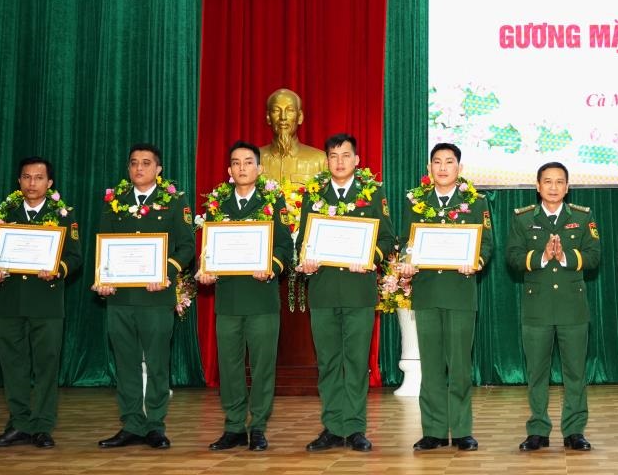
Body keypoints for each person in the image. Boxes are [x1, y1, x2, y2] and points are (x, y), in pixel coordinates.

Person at [295, 133, 396, 452]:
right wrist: (306, 260)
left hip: (358, 292)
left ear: (357, 160)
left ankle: (354, 428)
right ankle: (332, 427)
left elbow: (387, 239)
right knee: (327, 362)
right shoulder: (314, 194)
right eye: (333, 156)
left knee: (355, 362)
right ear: (327, 161)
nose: (339, 162)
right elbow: (302, 240)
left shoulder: (373, 193)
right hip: (323, 291)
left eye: (345, 155)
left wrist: (369, 258)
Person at [94, 144, 195, 450]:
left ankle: (155, 425)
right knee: (125, 363)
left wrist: (165, 271)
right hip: (120, 298)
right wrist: (103, 279)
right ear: (128, 168)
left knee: (157, 363)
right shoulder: (115, 201)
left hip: (156, 297)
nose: (139, 168)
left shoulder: (174, 201)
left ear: (158, 169)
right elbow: (104, 243)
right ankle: (131, 424)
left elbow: (187, 247)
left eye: (146, 163)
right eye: (134, 163)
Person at [196, 142, 292, 452]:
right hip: (228, 299)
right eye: (236, 163)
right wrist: (206, 270)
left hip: (261, 298)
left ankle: (259, 426)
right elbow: (209, 248)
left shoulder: (272, 202)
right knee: (230, 366)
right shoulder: (218, 204)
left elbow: (285, 247)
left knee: (263, 366)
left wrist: (271, 267)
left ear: (259, 168)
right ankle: (234, 426)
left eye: (248, 162)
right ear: (229, 170)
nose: (242, 168)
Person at [398, 143, 494, 451]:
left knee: (460, 366)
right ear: (429, 168)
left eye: (449, 162)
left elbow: (486, 243)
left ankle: (462, 429)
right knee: (431, 366)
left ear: (459, 168)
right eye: (437, 162)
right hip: (427, 293)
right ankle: (434, 431)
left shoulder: (476, 202)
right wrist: (406, 261)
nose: (442, 167)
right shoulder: (415, 202)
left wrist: (476, 261)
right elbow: (405, 241)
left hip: (460, 293)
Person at [0, 157, 82, 449]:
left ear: (49, 183)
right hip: (11, 301)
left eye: (38, 178)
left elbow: (75, 257)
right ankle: (18, 424)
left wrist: (57, 269)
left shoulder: (63, 215)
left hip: (46, 303)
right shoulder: (6, 213)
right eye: (26, 177)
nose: (32, 183)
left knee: (46, 365)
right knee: (13, 365)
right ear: (19, 181)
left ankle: (42, 425)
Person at [505, 161, 600, 452]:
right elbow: (513, 257)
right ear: (538, 186)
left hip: (573, 307)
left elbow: (594, 255)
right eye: (548, 181)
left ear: (567, 187)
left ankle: (574, 431)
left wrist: (565, 256)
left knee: (575, 373)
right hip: (537, 308)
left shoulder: (583, 217)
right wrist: (542, 257)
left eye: (560, 182)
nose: (554, 187)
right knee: (537, 373)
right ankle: (537, 430)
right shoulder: (522, 218)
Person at [259, 88, 327, 184]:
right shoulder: (253, 159)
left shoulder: (320, 160)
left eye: (290, 110)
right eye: (276, 110)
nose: (283, 117)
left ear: (300, 117)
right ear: (268, 117)